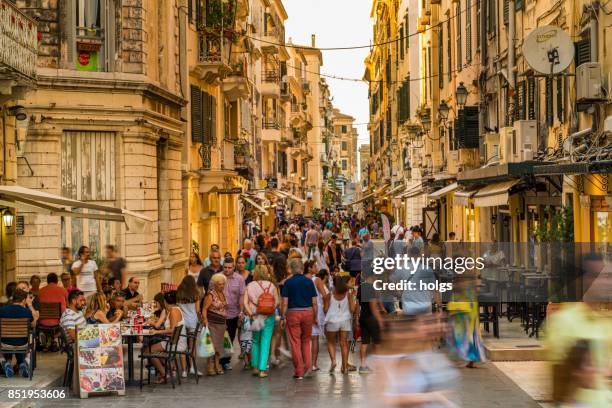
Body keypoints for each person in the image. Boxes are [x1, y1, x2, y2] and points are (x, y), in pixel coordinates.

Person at [280, 258, 318, 380]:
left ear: (291, 269)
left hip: (293, 313)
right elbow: (315, 302)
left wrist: (282, 316)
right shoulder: (309, 281)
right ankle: (308, 367)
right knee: (306, 341)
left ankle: (299, 371)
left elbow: (285, 302)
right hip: (308, 312)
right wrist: (315, 316)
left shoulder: (288, 283)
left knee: (295, 342)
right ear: (302, 268)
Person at [244, 265, 279, 377]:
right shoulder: (271, 285)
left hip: (255, 316)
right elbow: (277, 302)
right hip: (268, 316)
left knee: (255, 341)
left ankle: (255, 367)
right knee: (266, 341)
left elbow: (245, 303)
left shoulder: (249, 285)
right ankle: (262, 369)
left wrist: (251, 315)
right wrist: (270, 310)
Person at [147, 291, 187, 383]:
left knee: (149, 351)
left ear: (165, 301)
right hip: (175, 341)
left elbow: (172, 330)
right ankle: (170, 368)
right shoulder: (175, 309)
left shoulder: (173, 311)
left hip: (175, 343)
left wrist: (156, 332)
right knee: (151, 349)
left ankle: (164, 374)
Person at [0, 289, 37, 378]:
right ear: (24, 300)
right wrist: (30, 305)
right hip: (23, 344)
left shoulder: (2, 310)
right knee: (33, 338)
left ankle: (4, 362)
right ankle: (24, 362)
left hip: (5, 344)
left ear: (13, 299)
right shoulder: (27, 312)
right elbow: (34, 324)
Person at [324, 276, 356, 374]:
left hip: (332, 321)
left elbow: (325, 310)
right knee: (344, 344)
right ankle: (345, 367)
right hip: (345, 320)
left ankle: (333, 361)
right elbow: (352, 309)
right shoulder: (349, 295)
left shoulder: (329, 296)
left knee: (331, 342)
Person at [218, 257, 245, 370]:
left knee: (230, 337)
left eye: (230, 267)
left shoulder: (239, 279)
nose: (227, 270)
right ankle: (219, 360)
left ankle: (226, 360)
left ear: (233, 267)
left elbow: (242, 296)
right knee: (219, 338)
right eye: (225, 267)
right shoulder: (217, 278)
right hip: (219, 314)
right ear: (223, 267)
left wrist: (242, 311)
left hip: (233, 314)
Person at [176, 275, 202, 377]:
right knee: (192, 347)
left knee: (182, 345)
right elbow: (198, 310)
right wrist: (201, 321)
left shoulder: (179, 293)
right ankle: (191, 367)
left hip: (182, 322)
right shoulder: (196, 294)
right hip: (192, 322)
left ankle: (183, 371)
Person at [202, 273, 227, 376]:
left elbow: (224, 307)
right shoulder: (210, 294)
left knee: (219, 347)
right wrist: (205, 321)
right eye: (220, 284)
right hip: (212, 324)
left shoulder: (223, 293)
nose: (222, 286)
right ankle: (210, 366)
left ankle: (217, 365)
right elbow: (204, 309)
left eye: (223, 284)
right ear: (215, 284)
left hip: (221, 324)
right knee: (212, 347)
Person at [357, 274, 384, 374]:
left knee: (364, 342)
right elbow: (373, 307)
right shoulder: (371, 288)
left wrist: (356, 318)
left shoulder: (361, 287)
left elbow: (357, 304)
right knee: (377, 342)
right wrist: (380, 320)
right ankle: (379, 365)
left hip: (363, 317)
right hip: (371, 319)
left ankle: (363, 366)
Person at [311, 269, 329, 371]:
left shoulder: (303, 279)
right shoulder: (316, 279)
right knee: (314, 338)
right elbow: (325, 295)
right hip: (315, 310)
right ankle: (313, 364)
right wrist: (326, 308)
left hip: (303, 309)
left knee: (305, 339)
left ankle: (307, 363)